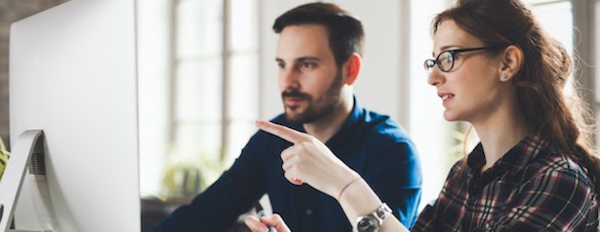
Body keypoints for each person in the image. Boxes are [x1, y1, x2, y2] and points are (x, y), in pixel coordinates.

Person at [245, 0, 600, 231]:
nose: (433, 77)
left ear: (507, 63)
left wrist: (345, 185)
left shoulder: (559, 181)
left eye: (449, 58)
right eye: (433, 61)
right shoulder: (465, 177)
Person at [146, 3, 422, 232]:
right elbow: (205, 214)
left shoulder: (393, 151)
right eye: (282, 65)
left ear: (350, 69)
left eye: (306, 65)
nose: (287, 81)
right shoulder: (272, 138)